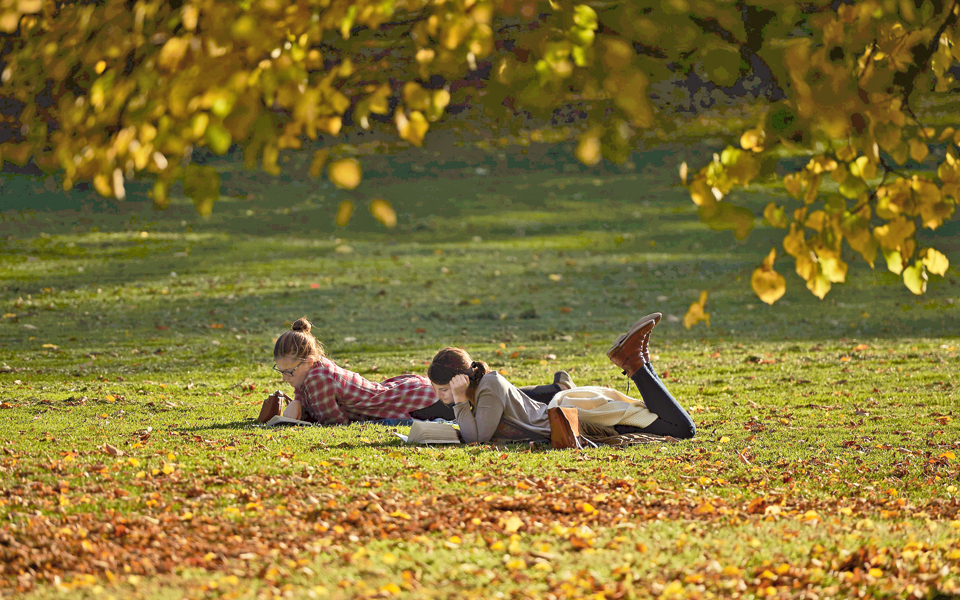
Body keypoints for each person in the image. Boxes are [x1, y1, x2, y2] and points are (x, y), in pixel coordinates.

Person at [426, 312, 695, 444]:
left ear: (460, 380)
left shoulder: (487, 387)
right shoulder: (481, 389)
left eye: (442, 389)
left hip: (580, 421)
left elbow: (478, 439)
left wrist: (459, 400)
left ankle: (635, 361)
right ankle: (637, 359)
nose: (440, 397)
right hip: (568, 415)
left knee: (683, 429)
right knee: (671, 423)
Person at [270, 317, 575, 425]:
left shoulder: (319, 378)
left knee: (483, 402)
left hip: (409, 402)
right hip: (401, 391)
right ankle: (553, 391)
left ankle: (553, 395)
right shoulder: (312, 373)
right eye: (281, 372)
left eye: (288, 371)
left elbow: (333, 421)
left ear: (307, 362)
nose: (286, 378)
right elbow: (304, 400)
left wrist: (295, 415)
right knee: (481, 398)